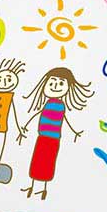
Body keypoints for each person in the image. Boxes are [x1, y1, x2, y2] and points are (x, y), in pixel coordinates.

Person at [18, 67, 92, 200]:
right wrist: (26, 126)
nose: (55, 86)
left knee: (47, 162)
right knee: (37, 161)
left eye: (61, 83)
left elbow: (64, 119)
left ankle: (43, 188)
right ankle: (33, 186)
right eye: (51, 83)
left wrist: (74, 131)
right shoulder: (48, 103)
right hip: (42, 137)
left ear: (68, 87)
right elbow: (37, 114)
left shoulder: (61, 105)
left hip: (53, 139)